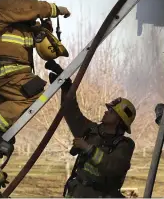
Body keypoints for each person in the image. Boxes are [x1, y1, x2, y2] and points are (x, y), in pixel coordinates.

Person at [0, 0, 71, 148]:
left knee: (5, 122)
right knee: (34, 94)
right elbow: (30, 8)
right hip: (5, 72)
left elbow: (25, 31)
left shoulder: (13, 17)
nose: (32, 0)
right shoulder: (1, 6)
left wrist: (42, 32)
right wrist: (56, 9)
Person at [48, 70, 136, 198]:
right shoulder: (91, 130)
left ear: (119, 120)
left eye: (111, 111)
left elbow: (114, 166)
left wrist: (88, 149)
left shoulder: (125, 145)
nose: (106, 112)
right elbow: (72, 113)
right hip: (77, 193)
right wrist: (67, 89)